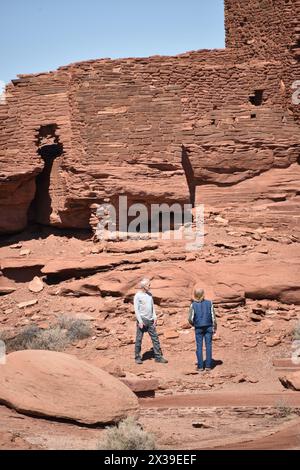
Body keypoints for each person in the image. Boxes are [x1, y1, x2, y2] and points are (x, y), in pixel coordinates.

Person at [134, 278, 168, 365]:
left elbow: (152, 306)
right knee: (139, 339)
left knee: (155, 338)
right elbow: (136, 310)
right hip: (142, 320)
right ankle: (137, 357)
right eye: (148, 285)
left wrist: (155, 317)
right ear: (144, 286)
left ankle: (158, 357)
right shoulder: (137, 296)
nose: (150, 286)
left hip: (150, 320)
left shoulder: (149, 295)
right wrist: (140, 321)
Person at [188, 288, 217, 372]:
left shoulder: (193, 305)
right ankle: (208, 366)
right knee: (208, 345)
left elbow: (190, 318)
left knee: (199, 346)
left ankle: (200, 366)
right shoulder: (209, 303)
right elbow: (213, 316)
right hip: (208, 326)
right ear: (203, 294)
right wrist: (215, 327)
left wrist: (194, 324)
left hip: (198, 328)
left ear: (195, 295)